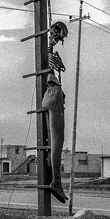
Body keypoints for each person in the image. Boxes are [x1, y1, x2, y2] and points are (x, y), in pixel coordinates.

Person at [43, 21, 69, 204]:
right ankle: (56, 181)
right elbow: (50, 48)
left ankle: (52, 175)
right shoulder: (49, 52)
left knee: (51, 141)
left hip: (48, 95)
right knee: (57, 142)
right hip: (54, 93)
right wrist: (51, 37)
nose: (60, 38)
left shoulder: (47, 53)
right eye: (59, 35)